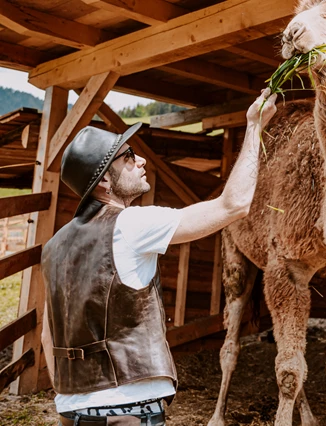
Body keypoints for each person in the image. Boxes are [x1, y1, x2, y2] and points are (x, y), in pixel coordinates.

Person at [40, 89, 277, 426]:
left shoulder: (53, 247)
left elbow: (47, 336)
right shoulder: (132, 224)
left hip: (70, 409)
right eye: (128, 157)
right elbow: (233, 205)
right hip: (129, 408)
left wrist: (68, 396)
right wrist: (254, 127)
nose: (142, 161)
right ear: (104, 180)